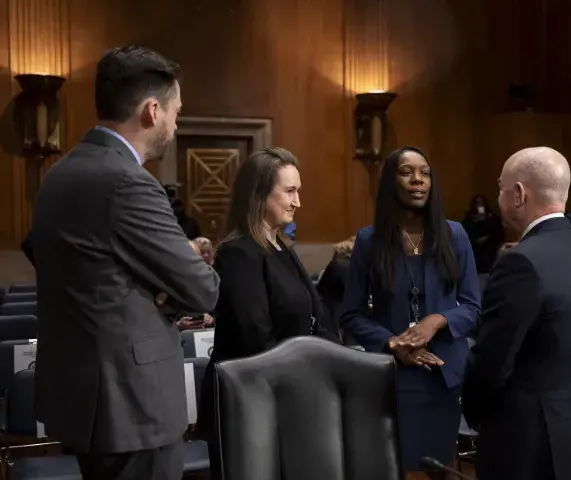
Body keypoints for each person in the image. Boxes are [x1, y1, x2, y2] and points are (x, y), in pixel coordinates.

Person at [27, 46, 220, 480]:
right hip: (131, 405)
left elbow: (43, 253)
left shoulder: (60, 173)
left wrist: (144, 280)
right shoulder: (129, 183)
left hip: (84, 397)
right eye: (176, 112)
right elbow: (204, 289)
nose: (175, 123)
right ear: (152, 110)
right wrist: (167, 281)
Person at [462, 147, 571, 480]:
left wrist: (471, 411)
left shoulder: (520, 261)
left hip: (525, 441)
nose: (499, 196)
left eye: (501, 188)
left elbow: (493, 358)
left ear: (518, 194)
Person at [196, 147, 340, 479]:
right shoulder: (238, 254)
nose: (297, 201)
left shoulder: (281, 248)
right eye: (289, 191)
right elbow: (255, 338)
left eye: (298, 191)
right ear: (260, 194)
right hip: (250, 402)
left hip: (288, 395)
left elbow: (317, 317)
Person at [341, 146, 480, 476]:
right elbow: (351, 315)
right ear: (391, 182)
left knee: (441, 467)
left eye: (425, 173)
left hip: (444, 374)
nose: (418, 180)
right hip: (395, 377)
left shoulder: (454, 235)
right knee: (400, 466)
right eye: (407, 172)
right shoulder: (369, 241)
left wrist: (438, 320)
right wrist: (393, 344)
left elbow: (474, 307)